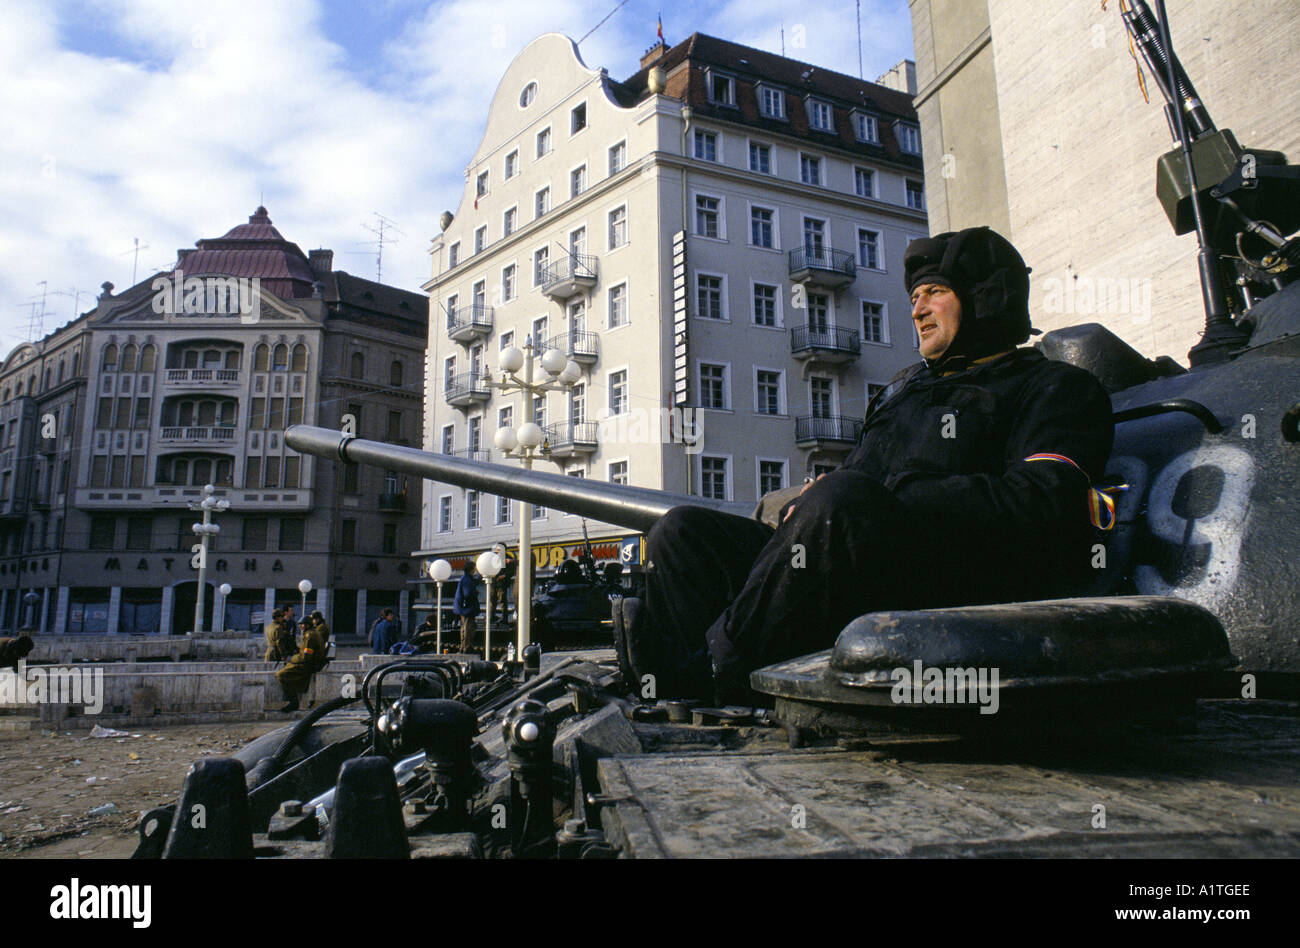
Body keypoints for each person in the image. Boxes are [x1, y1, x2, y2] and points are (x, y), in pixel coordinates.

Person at [615, 227, 1115, 703]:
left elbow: (1045, 498)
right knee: (682, 532)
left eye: (935, 292)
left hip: (943, 575)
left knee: (838, 501)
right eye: (914, 298)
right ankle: (690, 674)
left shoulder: (1054, 387)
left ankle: (712, 672)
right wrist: (817, 503)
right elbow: (849, 488)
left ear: (987, 299)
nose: (917, 310)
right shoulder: (904, 393)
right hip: (843, 561)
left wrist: (881, 500)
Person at [275, 610, 330, 712]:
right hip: (310, 663)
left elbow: (305, 656)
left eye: (302, 625)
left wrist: (291, 658)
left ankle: (293, 701)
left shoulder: (310, 636)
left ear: (308, 625)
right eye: (300, 625)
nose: (300, 627)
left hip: (307, 665)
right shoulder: (312, 633)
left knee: (281, 675)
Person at [452, 562, 480, 653]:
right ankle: (466, 647)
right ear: (471, 569)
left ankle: (464, 646)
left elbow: (474, 583)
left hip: (464, 608)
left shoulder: (466, 578)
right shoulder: (467, 579)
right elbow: (467, 593)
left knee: (465, 627)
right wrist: (476, 593)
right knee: (467, 627)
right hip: (467, 608)